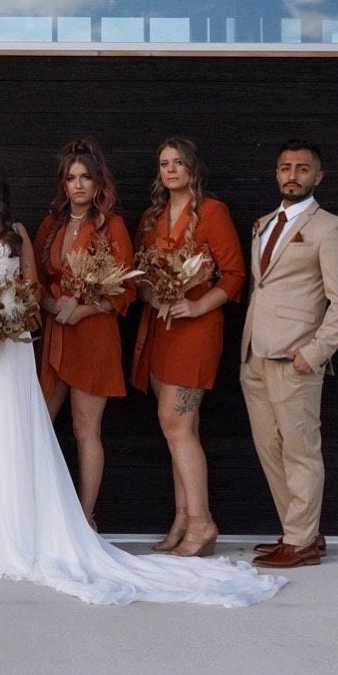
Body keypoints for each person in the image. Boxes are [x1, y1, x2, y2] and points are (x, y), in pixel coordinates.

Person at [0, 157, 283, 607]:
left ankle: (87, 518)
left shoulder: (36, 232)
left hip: (62, 340)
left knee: (81, 428)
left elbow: (104, 285)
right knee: (7, 428)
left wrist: (62, 309)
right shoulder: (8, 230)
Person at [242, 141, 338, 569]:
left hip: (296, 359)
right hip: (255, 355)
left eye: (302, 169)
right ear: (276, 174)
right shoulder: (264, 223)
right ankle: (300, 531)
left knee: (300, 449)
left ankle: (301, 541)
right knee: (269, 447)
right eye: (285, 167)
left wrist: (316, 352)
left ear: (317, 177)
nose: (293, 174)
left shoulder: (330, 227)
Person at [130, 138, 246, 557]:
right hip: (161, 328)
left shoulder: (212, 212)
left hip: (196, 329)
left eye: (179, 162)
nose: (171, 170)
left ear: (193, 168)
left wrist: (196, 304)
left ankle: (203, 523)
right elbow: (138, 275)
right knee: (178, 427)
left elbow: (234, 274)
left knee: (176, 424)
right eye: (164, 164)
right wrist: (152, 295)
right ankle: (183, 518)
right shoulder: (151, 217)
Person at [35, 138, 136, 529]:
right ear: (63, 184)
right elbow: (36, 282)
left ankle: (85, 515)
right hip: (55, 332)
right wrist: (49, 305)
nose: (78, 185)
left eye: (86, 177)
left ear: (98, 184)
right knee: (40, 419)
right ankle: (44, 510)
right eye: (71, 178)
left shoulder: (111, 226)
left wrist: (85, 308)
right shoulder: (51, 225)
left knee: (84, 427)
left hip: (93, 333)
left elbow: (126, 289)